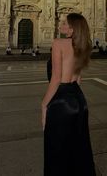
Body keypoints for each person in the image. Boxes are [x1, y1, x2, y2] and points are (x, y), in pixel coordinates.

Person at [42, 13, 96, 176]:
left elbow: (57, 78)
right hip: (79, 100)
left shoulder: (59, 43)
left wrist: (44, 104)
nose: (60, 25)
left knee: (57, 149)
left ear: (73, 29)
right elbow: (78, 79)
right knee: (79, 147)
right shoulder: (84, 45)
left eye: (65, 23)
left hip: (62, 101)